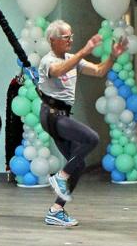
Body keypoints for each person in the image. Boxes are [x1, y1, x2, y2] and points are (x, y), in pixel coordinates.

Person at [38, 21, 127, 226]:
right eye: (66, 37)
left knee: (77, 164)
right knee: (92, 138)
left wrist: (112, 56)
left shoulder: (72, 59)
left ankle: (56, 210)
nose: (70, 40)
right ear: (53, 40)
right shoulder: (47, 61)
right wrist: (84, 51)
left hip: (63, 116)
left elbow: (98, 71)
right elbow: (58, 71)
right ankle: (60, 176)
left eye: (71, 36)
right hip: (52, 116)